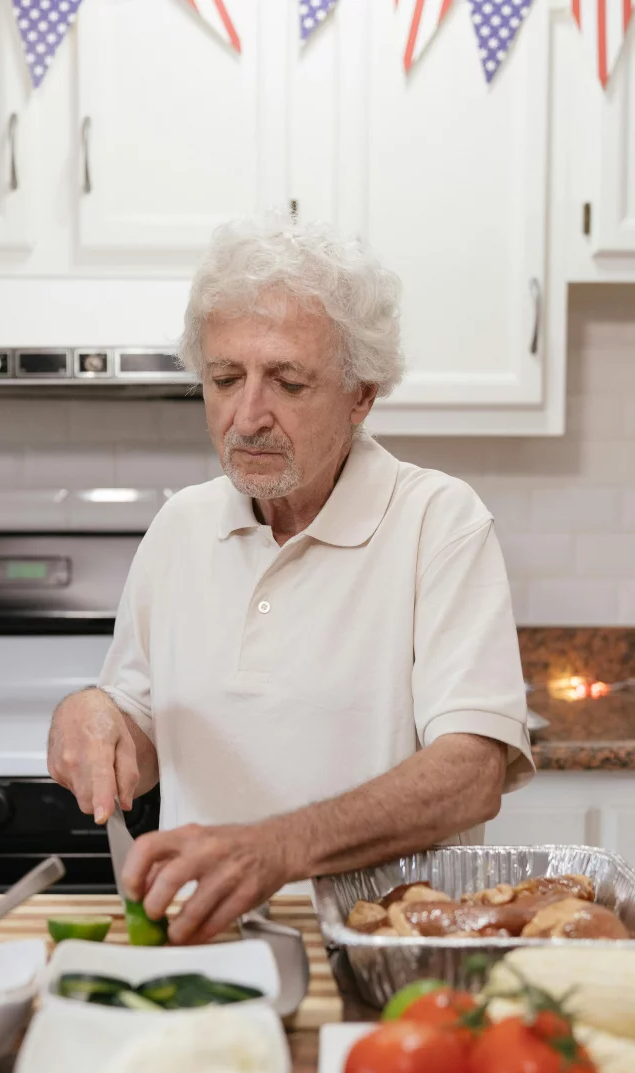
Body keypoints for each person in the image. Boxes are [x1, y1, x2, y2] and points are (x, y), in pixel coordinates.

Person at [47, 215, 533, 945]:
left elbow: (471, 773)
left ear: (360, 393)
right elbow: (141, 735)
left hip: (385, 949)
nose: (247, 416)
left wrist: (274, 849)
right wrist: (93, 717)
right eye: (224, 378)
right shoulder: (180, 527)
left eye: (288, 381)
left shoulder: (440, 521)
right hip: (204, 941)